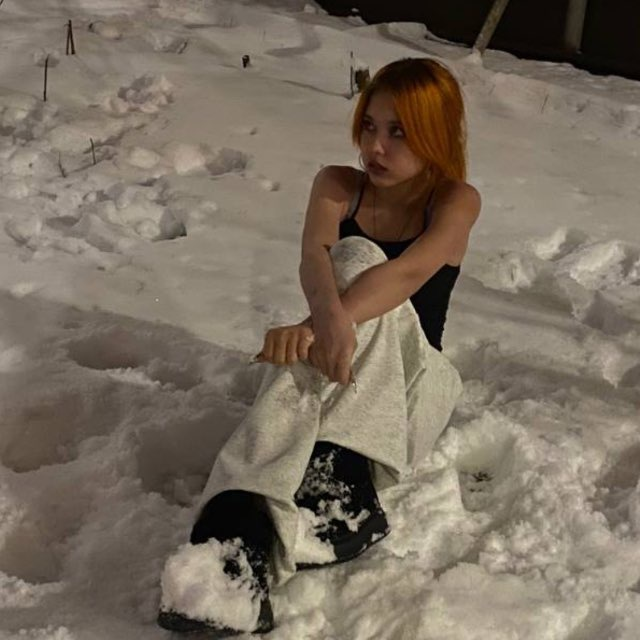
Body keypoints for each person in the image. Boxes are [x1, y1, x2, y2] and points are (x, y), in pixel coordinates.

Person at [157, 57, 481, 637]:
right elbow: (314, 261)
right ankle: (236, 550)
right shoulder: (338, 186)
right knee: (342, 278)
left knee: (360, 260)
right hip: (336, 372)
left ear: (436, 135)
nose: (375, 146)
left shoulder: (456, 201)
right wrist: (321, 326)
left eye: (399, 132)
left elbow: (404, 276)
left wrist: (314, 327)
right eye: (369, 126)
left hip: (410, 392)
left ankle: (335, 481)